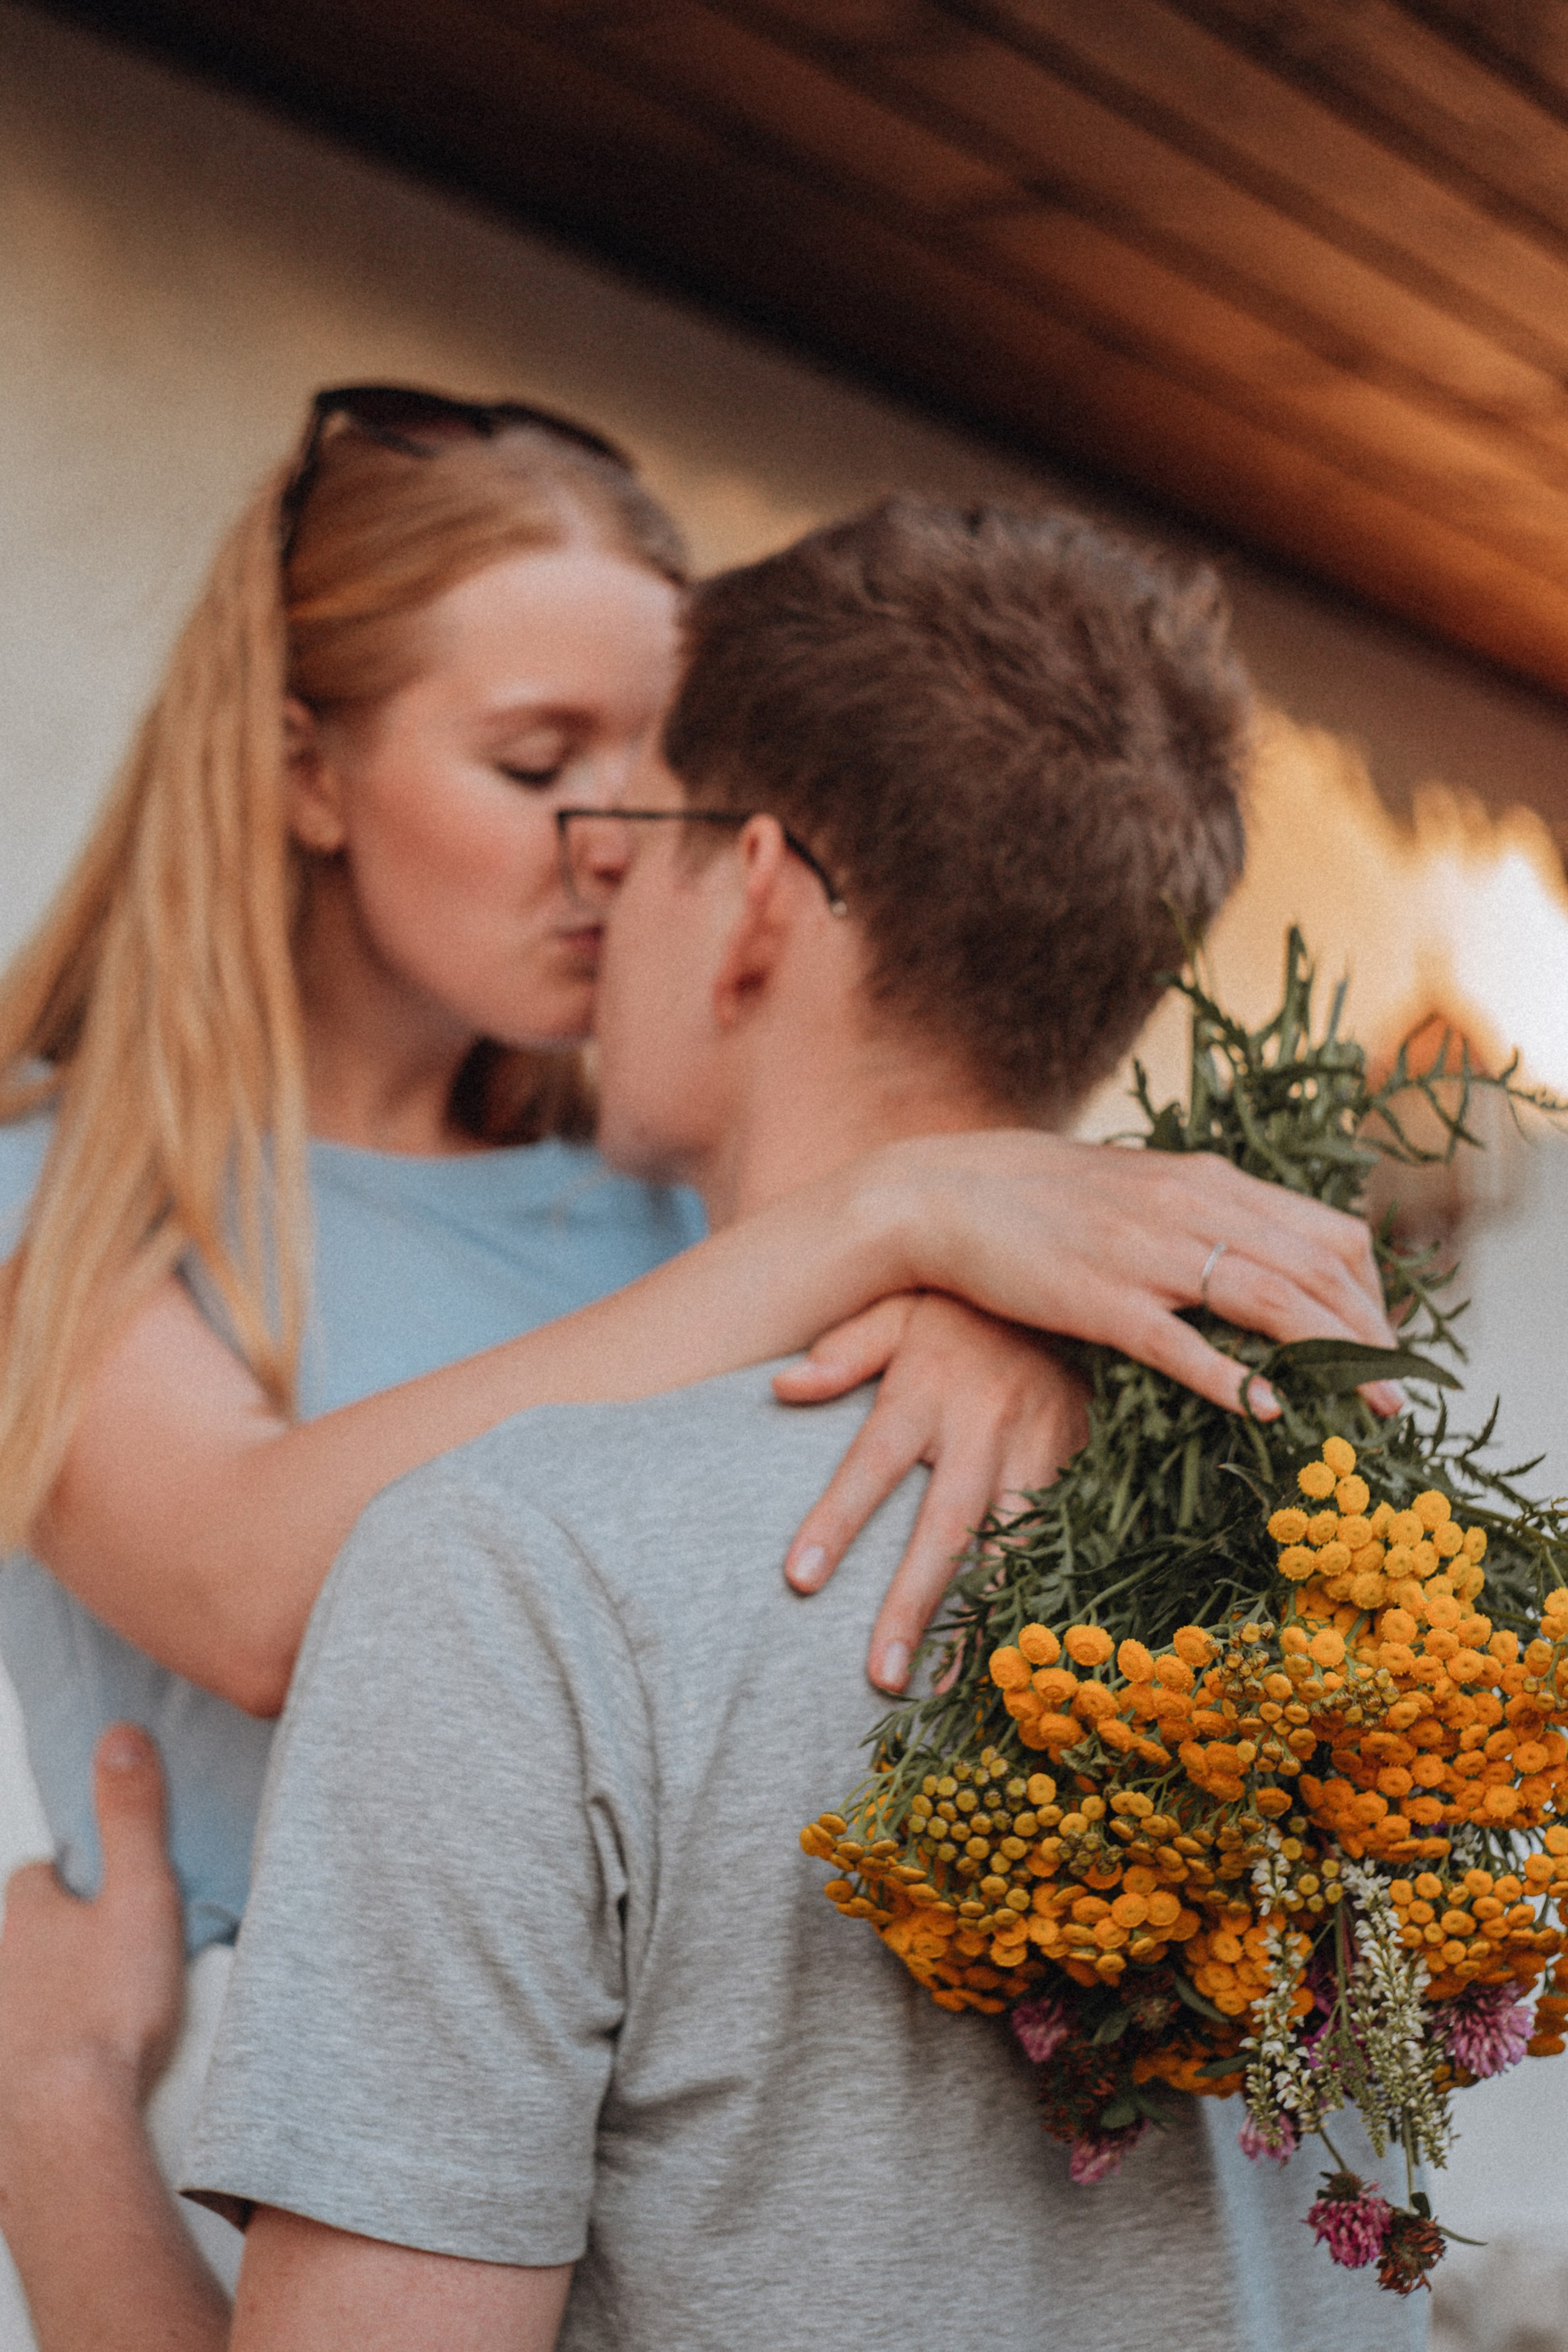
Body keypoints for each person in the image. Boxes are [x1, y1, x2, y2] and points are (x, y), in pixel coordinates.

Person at [0, 394, 1392, 2339]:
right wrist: (883, 1222)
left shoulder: (675, 1195)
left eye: (646, 779)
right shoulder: (63, 1196)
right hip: (250, 2137)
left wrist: (1007, 1323)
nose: (598, 845)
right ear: (306, 772)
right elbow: (246, 1588)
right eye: (531, 762)